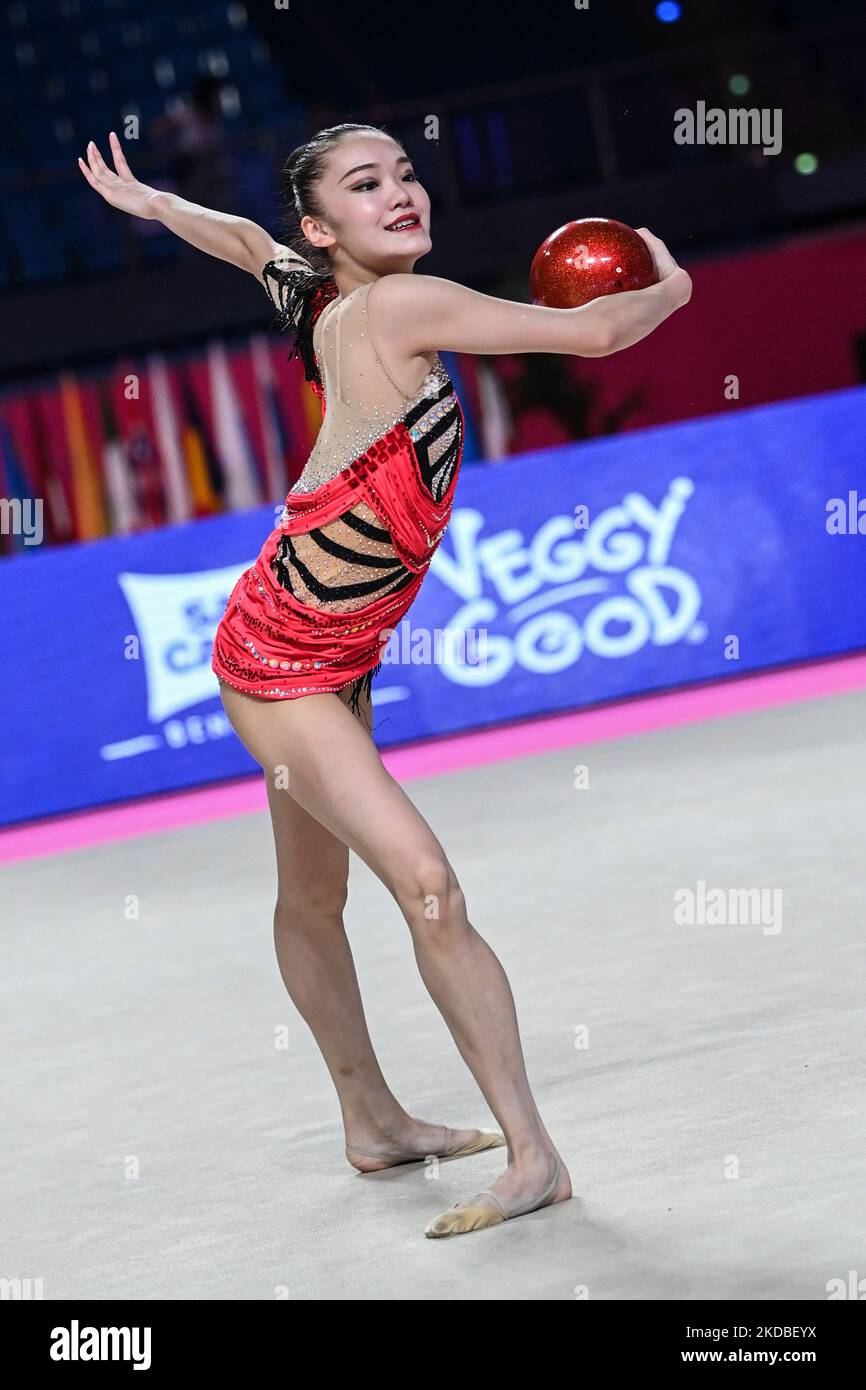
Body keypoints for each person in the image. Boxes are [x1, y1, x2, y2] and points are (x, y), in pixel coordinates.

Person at [78, 123, 692, 1239]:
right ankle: (532, 1156)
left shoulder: (318, 300)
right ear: (329, 226)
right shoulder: (404, 307)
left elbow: (244, 240)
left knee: (314, 895)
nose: (401, 192)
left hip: (326, 652)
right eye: (367, 185)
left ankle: (370, 1120)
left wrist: (163, 207)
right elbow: (599, 330)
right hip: (282, 663)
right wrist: (671, 281)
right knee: (427, 887)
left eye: (405, 173)